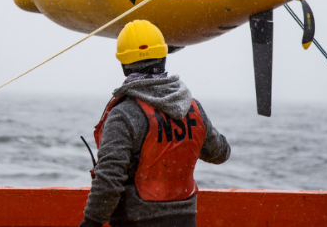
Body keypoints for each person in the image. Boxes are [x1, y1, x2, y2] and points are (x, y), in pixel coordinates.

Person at [80, 20, 231, 227]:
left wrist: (91, 222)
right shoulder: (193, 107)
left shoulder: (124, 114)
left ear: (124, 64)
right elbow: (220, 153)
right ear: (163, 57)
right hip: (185, 220)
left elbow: (109, 179)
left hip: (136, 221)